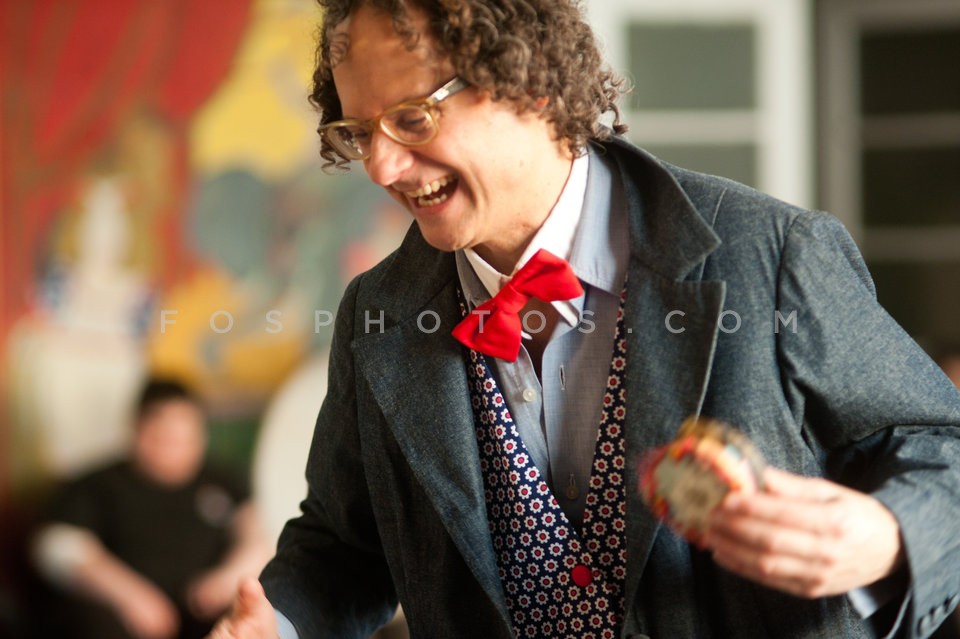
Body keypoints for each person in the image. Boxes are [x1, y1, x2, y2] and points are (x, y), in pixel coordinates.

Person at [209, 1, 960, 637]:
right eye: (359, 132)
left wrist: (887, 535)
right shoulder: (375, 313)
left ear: (530, 83)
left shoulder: (771, 251)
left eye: (412, 118)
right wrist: (278, 625)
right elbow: (343, 547)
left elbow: (943, 449)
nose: (380, 166)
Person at [31, 378, 271, 639]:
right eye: (167, 438)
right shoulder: (97, 485)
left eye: (188, 438)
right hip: (123, 617)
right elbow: (58, 548)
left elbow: (258, 537)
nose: (179, 449)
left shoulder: (224, 481)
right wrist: (129, 596)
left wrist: (228, 579)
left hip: (204, 614)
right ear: (140, 432)